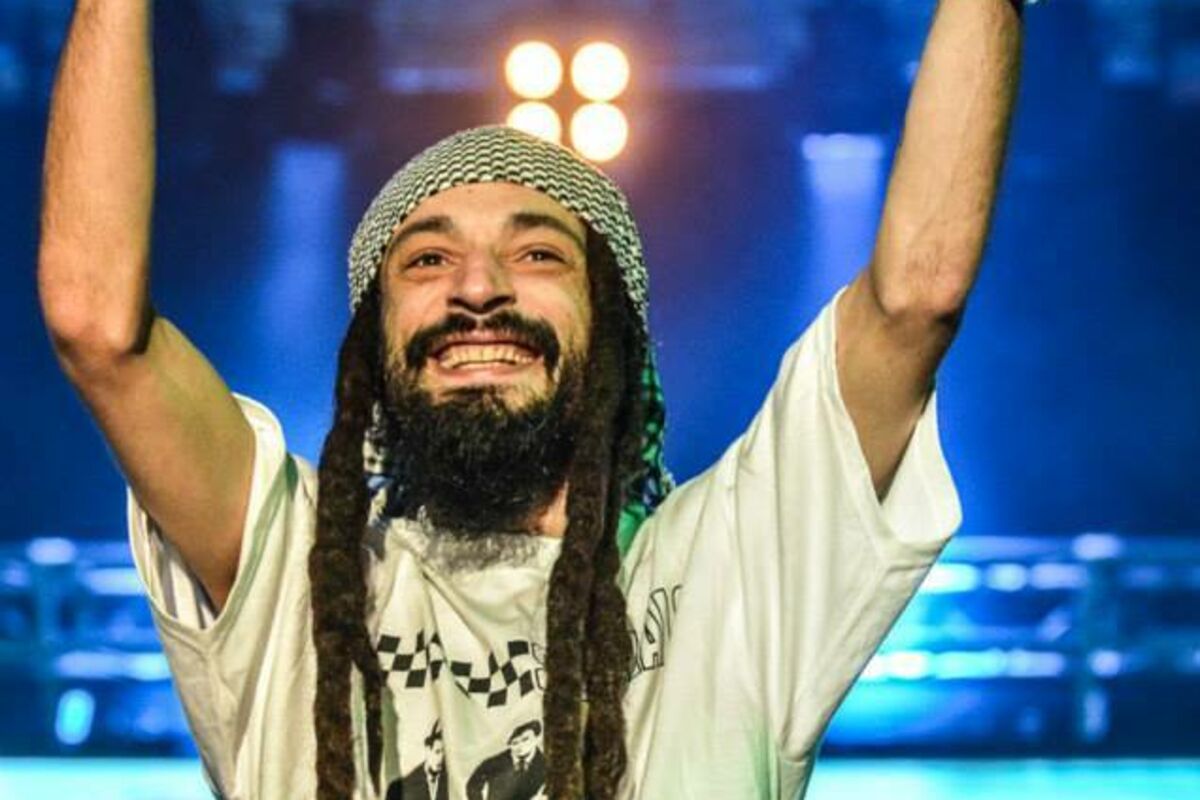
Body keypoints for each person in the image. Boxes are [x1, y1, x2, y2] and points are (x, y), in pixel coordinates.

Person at [36, 0, 1024, 798]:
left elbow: (915, 299)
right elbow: (96, 325)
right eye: (427, 260)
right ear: (370, 350)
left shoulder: (732, 572)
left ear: (613, 333)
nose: (478, 287)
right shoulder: (291, 563)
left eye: (538, 253)